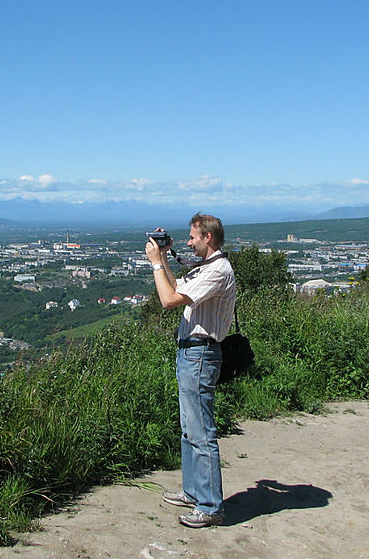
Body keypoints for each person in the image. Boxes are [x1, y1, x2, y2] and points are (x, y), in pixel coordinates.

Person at [145, 212, 236, 528]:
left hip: (200, 356)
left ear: (208, 237)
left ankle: (210, 506)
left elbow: (169, 300)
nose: (189, 242)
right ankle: (194, 491)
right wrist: (166, 258)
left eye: (192, 237)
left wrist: (156, 261)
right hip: (190, 355)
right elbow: (177, 286)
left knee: (201, 431)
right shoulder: (208, 268)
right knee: (189, 428)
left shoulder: (218, 271)